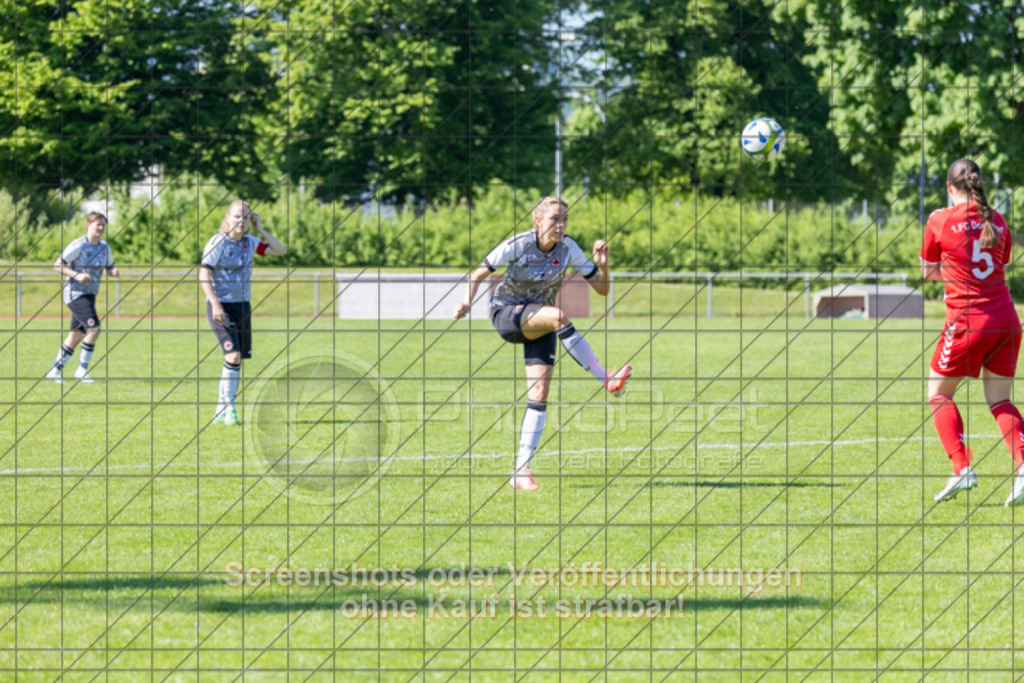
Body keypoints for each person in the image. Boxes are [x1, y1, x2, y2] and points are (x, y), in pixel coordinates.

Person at [454, 196, 632, 491]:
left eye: (564, 219)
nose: (560, 225)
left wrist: (604, 265)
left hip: (541, 319)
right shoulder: (519, 244)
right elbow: (478, 273)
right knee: (559, 317)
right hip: (507, 315)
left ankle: (521, 471)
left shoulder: (569, 248)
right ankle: (605, 379)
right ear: (538, 221)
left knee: (539, 392)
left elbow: (601, 289)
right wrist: (465, 303)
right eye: (554, 219)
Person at [921, 158, 1024, 505]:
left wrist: (954, 272)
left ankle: (962, 469)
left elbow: (928, 272)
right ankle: (1023, 468)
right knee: (1000, 399)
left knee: (938, 392)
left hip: (969, 322)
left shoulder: (938, 219)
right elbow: (999, 265)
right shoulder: (997, 219)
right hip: (1007, 321)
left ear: (950, 189)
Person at [199, 200, 286, 426]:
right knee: (232, 356)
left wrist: (260, 229)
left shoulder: (250, 242)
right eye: (237, 216)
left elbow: (280, 250)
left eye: (246, 217)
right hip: (221, 306)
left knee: (236, 360)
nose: (241, 221)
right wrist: (216, 304)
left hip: (242, 306)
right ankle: (230, 410)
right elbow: (203, 274)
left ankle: (220, 410)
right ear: (228, 218)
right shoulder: (218, 242)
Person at [47, 212, 119, 384]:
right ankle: (82, 370)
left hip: (90, 294)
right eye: (97, 224)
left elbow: (109, 266)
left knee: (76, 335)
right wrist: (77, 275)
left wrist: (112, 272)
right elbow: (57, 265)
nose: (101, 228)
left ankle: (55, 370)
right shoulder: (78, 245)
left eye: (103, 225)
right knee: (94, 329)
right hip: (75, 293)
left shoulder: (104, 247)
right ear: (88, 225)